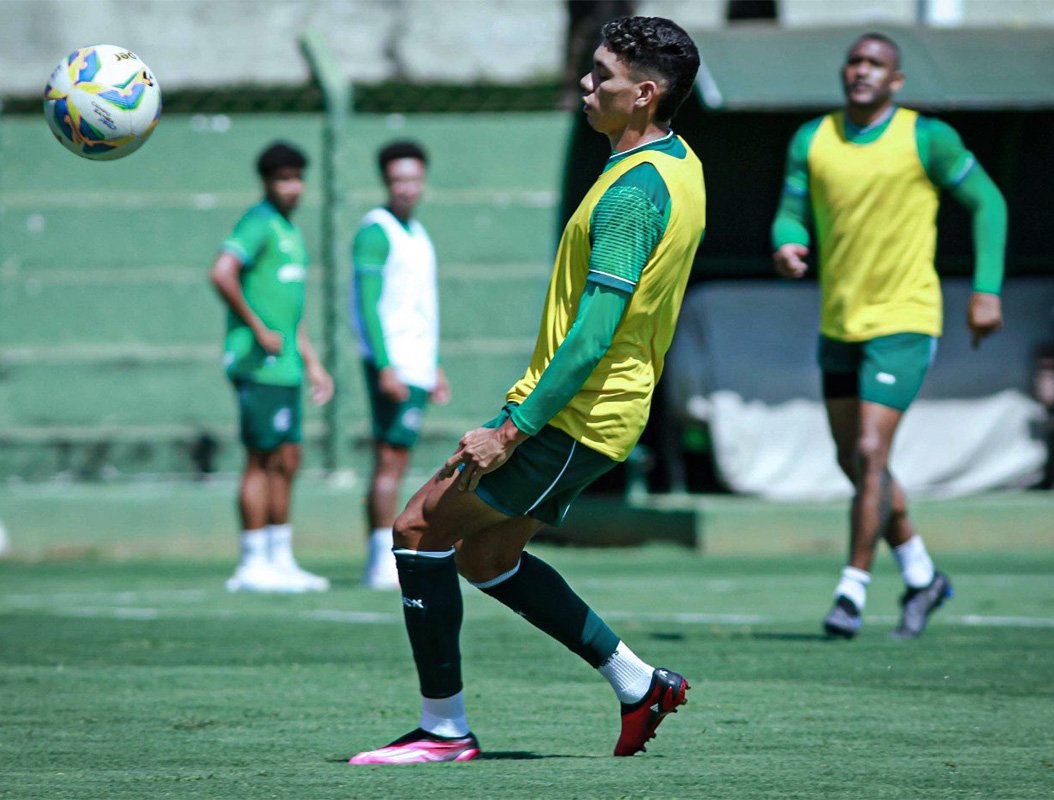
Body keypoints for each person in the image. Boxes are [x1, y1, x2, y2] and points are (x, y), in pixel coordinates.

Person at [350, 15, 705, 764]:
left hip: (572, 414)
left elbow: (593, 336)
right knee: (485, 558)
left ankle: (443, 731)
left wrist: (509, 430)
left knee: (416, 528)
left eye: (602, 74)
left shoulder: (632, 194)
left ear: (645, 94)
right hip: (600, 414)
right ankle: (639, 684)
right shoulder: (679, 163)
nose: (586, 82)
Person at [771, 33, 1007, 639]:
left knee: (871, 452)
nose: (862, 70)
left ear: (896, 80)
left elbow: (989, 203)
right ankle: (922, 575)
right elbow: (791, 211)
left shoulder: (927, 137)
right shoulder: (812, 139)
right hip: (839, 323)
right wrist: (788, 241)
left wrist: (986, 290)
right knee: (855, 461)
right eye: (854, 61)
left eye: (875, 63)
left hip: (905, 319)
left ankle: (851, 591)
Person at [210, 142, 334, 593]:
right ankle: (251, 562)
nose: (293, 187)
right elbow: (221, 272)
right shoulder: (258, 222)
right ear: (266, 182)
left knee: (288, 459)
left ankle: (280, 560)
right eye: (284, 179)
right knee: (260, 459)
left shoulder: (290, 231)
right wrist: (258, 328)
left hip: (286, 367)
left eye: (298, 178)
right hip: (257, 364)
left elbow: (290, 314)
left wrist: (314, 364)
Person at [351, 141, 451, 590]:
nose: (407, 188)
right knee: (389, 460)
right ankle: (379, 559)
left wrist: (435, 364)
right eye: (398, 180)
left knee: (399, 458)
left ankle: (387, 556)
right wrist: (384, 366)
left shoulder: (419, 233)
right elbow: (368, 305)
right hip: (394, 363)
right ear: (386, 182)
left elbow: (420, 306)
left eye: (413, 178)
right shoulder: (376, 231)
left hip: (417, 363)